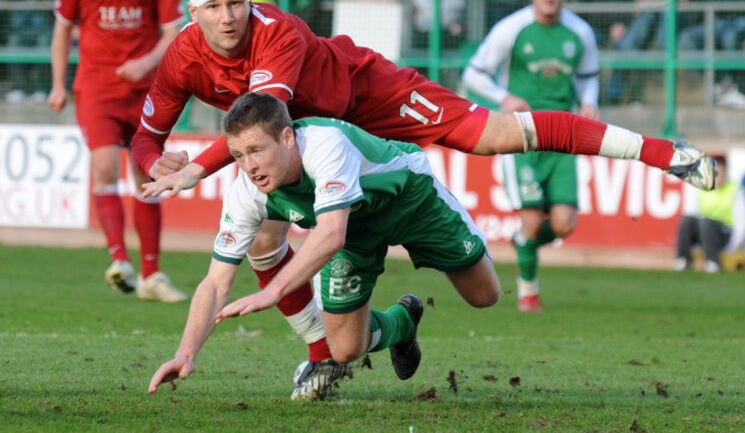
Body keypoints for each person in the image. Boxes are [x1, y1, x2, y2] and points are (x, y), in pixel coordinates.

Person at [131, 0, 714, 395]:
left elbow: (266, 119)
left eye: (236, 2)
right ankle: (326, 352)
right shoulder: (183, 57)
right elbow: (146, 136)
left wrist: (198, 171)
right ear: (193, 14)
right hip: (304, 140)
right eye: (214, 7)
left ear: (250, 1)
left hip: (363, 96)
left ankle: (662, 153)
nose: (229, 16)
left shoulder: (276, 32)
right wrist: (152, 164)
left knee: (494, 137)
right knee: (262, 238)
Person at [147, 92, 502, 397]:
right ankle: (402, 324)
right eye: (239, 155)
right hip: (354, 229)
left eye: (256, 150)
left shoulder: (325, 143)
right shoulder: (246, 192)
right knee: (344, 349)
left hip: (410, 199)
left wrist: (273, 292)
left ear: (287, 138)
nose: (249, 166)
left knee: (485, 296)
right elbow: (215, 283)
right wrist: (187, 352)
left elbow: (331, 233)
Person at [47, 0, 186, 302]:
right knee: (105, 167)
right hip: (96, 88)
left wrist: (146, 64)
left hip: (145, 91)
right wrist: (57, 83)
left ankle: (151, 274)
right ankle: (119, 258)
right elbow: (62, 29)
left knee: (147, 176)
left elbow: (171, 31)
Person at [461, 0, 598, 312]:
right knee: (534, 219)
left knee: (565, 225)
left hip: (564, 139)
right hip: (523, 137)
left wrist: (589, 102)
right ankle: (529, 294)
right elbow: (475, 73)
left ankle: (524, 242)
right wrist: (504, 98)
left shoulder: (580, 33)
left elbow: (588, 75)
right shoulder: (512, 29)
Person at [675, 156, 742, 273]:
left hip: (723, 233)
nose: (718, 176)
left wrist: (732, 247)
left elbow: (742, 223)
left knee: (706, 223)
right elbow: (691, 211)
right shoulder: (702, 186)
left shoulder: (735, 189)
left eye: (721, 173)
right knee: (687, 220)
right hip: (704, 230)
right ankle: (683, 260)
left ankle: (713, 262)